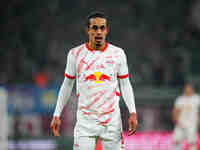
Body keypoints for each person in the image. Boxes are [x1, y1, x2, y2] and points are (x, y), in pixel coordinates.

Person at [50, 11, 138, 150]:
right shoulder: (75, 54)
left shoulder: (118, 54)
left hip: (111, 122)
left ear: (106, 30)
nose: (98, 32)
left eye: (102, 28)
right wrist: (57, 114)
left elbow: (125, 85)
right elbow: (67, 85)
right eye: (95, 28)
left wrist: (132, 112)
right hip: (85, 123)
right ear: (88, 30)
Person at [172, 83, 200, 150]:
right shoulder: (180, 99)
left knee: (192, 141)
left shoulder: (197, 98)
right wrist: (176, 120)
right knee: (176, 140)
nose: (188, 90)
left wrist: (199, 121)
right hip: (181, 122)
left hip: (192, 123)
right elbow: (175, 111)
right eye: (186, 88)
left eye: (189, 88)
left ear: (192, 89)